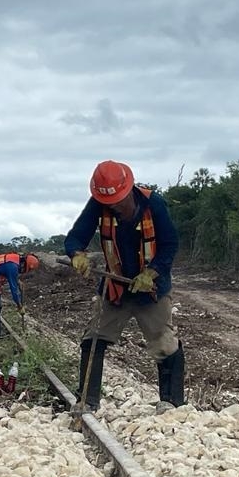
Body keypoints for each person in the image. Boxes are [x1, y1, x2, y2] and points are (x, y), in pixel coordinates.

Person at [64, 160, 182, 413]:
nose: (114, 206)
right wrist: (77, 254)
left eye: (118, 200)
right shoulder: (98, 205)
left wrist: (151, 273)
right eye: (109, 202)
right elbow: (76, 236)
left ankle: (172, 404)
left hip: (151, 289)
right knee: (94, 338)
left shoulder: (154, 204)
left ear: (129, 188)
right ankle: (87, 401)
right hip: (115, 285)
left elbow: (170, 244)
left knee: (165, 344)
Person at [0, 252, 39, 339]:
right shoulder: (13, 267)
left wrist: (18, 281)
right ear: (25, 265)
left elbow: (5, 269)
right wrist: (19, 306)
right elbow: (14, 289)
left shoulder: (14, 260)